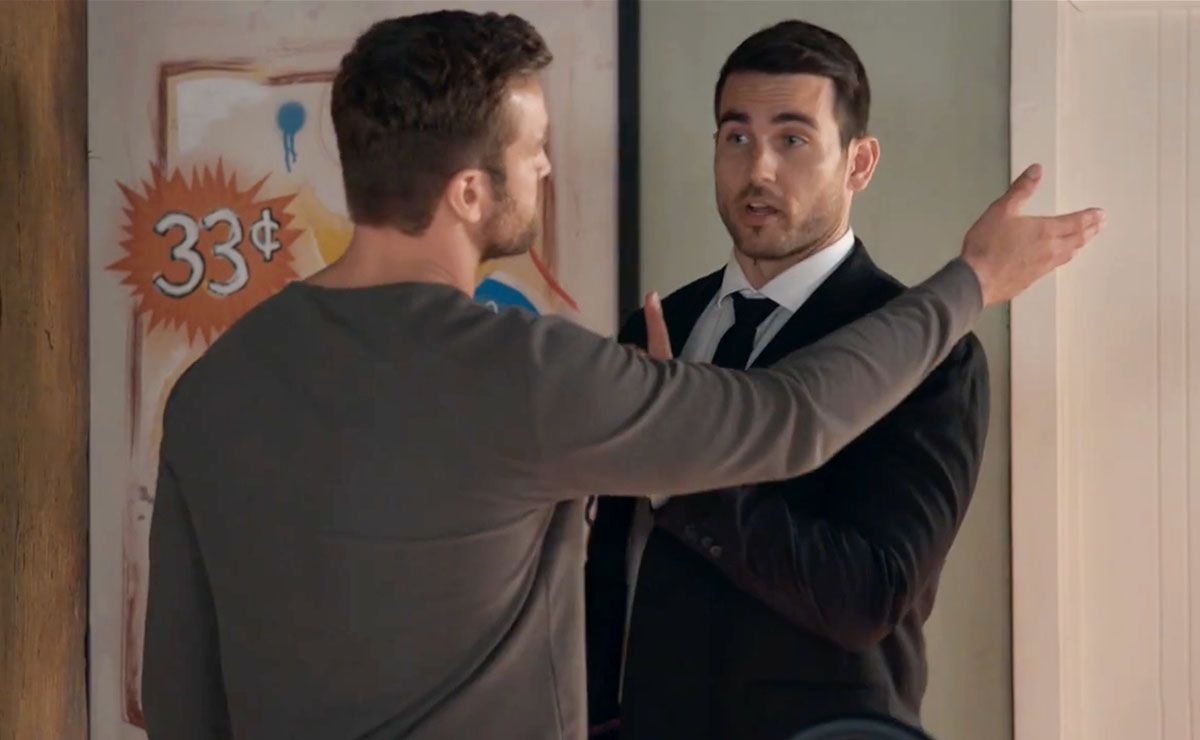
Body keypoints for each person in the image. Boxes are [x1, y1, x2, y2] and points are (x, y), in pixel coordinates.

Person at [140, 10, 1102, 740]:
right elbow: (792, 415)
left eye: (792, 137)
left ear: (860, 162)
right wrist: (973, 281)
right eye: (533, 149)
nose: (547, 169)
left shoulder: (209, 389)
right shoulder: (542, 368)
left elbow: (180, 691)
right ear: (470, 191)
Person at [585, 20, 998, 739]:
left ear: (859, 162)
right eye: (736, 137)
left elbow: (869, 595)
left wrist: (678, 473)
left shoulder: (930, 353)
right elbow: (611, 563)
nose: (759, 170)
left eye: (793, 139)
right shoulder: (657, 326)